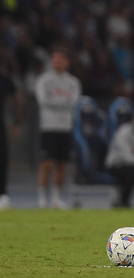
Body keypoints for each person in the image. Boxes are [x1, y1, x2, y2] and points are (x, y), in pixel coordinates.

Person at [35, 48, 81, 209]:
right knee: (46, 162)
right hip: (49, 126)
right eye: (54, 59)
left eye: (60, 59)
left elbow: (73, 102)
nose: (57, 62)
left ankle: (56, 198)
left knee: (62, 164)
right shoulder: (44, 80)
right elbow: (43, 101)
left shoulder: (73, 82)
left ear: (67, 62)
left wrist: (55, 101)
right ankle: (42, 199)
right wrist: (63, 102)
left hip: (65, 127)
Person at [0, 57, 22, 210]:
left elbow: (18, 99)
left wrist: (17, 121)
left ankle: (2, 195)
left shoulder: (4, 79)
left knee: (2, 158)